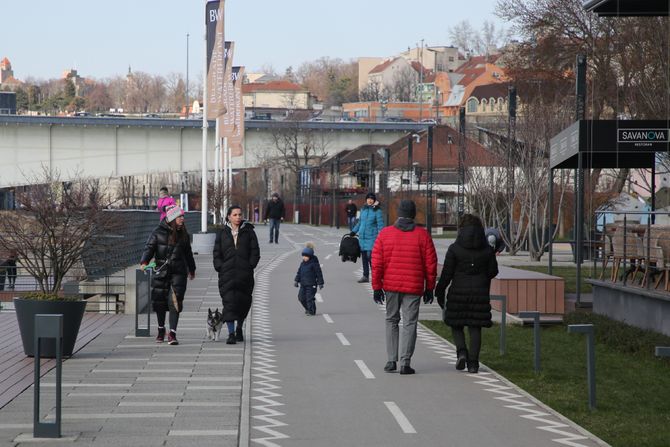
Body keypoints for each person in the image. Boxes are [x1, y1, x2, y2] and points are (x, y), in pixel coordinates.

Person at [371, 200, 437, 375]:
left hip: (391, 286)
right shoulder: (423, 235)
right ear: (413, 214)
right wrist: (430, 287)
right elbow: (431, 264)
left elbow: (376, 263)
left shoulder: (385, 234)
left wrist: (377, 286)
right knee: (410, 322)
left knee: (391, 320)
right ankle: (405, 363)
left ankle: (391, 360)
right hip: (414, 286)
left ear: (398, 213)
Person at [435, 214, 499, 374]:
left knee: (456, 324)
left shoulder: (455, 248)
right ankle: (473, 364)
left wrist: (439, 291)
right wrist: (482, 278)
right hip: (480, 293)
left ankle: (461, 352)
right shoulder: (487, 250)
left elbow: (447, 274)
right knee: (475, 327)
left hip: (458, 291)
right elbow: (493, 271)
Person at [140, 205, 196, 345]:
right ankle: (160, 329)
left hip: (178, 272)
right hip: (161, 270)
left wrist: (192, 269)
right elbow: (149, 248)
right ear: (171, 218)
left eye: (182, 216)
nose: (182, 219)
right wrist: (144, 261)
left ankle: (172, 333)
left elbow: (188, 253)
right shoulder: (157, 232)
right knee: (159, 302)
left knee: (175, 302)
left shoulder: (183, 234)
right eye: (179, 216)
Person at [213, 205, 260, 344]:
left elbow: (255, 251)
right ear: (229, 216)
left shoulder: (249, 232)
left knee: (243, 303)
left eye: (240, 214)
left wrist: (250, 264)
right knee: (229, 304)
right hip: (226, 274)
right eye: (235, 215)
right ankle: (231, 333)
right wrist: (219, 266)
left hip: (244, 274)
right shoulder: (222, 233)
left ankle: (239, 327)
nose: (238, 217)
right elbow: (217, 253)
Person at [351, 192, 384, 283]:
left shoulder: (377, 211)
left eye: (371, 199)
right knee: (364, 257)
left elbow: (380, 225)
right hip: (362, 237)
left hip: (372, 237)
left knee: (371, 257)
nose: (370, 200)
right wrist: (354, 231)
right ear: (366, 200)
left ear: (374, 200)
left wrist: (381, 237)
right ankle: (365, 276)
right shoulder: (363, 210)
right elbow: (360, 223)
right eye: (368, 198)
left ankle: (376, 276)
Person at [293, 242, 324, 316]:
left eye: (306, 256)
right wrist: (296, 280)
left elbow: (319, 274)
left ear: (310, 256)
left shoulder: (314, 264)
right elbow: (299, 272)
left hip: (311, 285)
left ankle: (311, 311)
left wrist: (320, 283)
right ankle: (308, 308)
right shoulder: (302, 263)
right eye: (303, 256)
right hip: (303, 284)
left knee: (309, 298)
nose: (304, 257)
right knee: (301, 298)